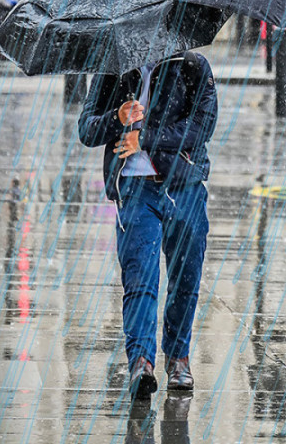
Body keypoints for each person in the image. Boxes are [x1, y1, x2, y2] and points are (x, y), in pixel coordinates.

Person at [78, 51, 217, 400]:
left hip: (183, 186)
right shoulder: (114, 66)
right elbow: (87, 128)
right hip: (134, 189)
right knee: (140, 279)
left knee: (185, 279)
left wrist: (147, 138)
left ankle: (178, 357)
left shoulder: (191, 66)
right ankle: (141, 361)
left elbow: (202, 127)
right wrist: (117, 116)